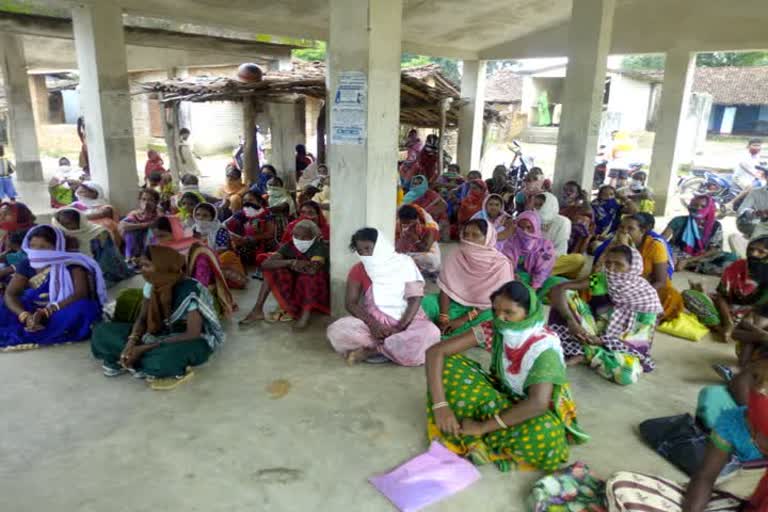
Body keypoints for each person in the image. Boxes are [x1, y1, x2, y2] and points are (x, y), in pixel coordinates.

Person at [425, 281, 588, 472]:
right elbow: (436, 352)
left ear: (528, 312)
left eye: (509, 313)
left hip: (531, 412)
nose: (500, 318)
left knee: (546, 434)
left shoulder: (544, 348)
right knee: (449, 365)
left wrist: (482, 427)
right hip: (501, 393)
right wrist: (440, 406)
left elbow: (537, 404)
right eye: (495, 311)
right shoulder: (495, 328)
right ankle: (485, 434)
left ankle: (478, 433)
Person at [607, 366, 768, 512]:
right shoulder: (732, 422)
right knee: (622, 484)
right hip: (743, 498)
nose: (761, 442)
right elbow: (705, 477)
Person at [91, 245, 224, 386]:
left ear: (163, 266)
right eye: (141, 266)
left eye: (147, 266)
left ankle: (128, 359)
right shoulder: (152, 285)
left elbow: (192, 333)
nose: (142, 270)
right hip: (157, 330)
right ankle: (136, 359)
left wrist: (143, 348)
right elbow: (142, 318)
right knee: (101, 332)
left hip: (186, 338)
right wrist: (131, 342)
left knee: (163, 359)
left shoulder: (190, 290)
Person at [549, 245, 663, 385]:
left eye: (618, 264)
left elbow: (640, 340)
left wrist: (602, 341)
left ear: (633, 267)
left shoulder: (646, 296)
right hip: (592, 330)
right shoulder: (602, 279)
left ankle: (586, 354)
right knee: (565, 295)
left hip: (621, 344)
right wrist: (571, 322)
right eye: (608, 263)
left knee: (627, 374)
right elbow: (560, 288)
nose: (611, 269)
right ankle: (591, 352)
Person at [327, 227, 441, 365]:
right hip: (375, 324)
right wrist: (374, 325)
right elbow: (351, 303)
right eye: (360, 251)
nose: (364, 254)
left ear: (380, 245)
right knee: (337, 330)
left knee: (431, 332)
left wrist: (400, 328)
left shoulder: (404, 263)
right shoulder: (358, 269)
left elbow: (415, 298)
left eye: (368, 248)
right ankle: (394, 347)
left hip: (407, 321)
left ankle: (374, 351)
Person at [0, 225, 106, 351]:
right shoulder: (28, 263)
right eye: (33, 246)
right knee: (4, 304)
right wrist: (25, 315)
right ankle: (32, 324)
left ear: (57, 247)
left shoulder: (72, 263)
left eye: (43, 247)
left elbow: (80, 294)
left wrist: (46, 311)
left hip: (61, 309)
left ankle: (48, 327)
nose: (37, 251)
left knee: (85, 308)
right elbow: (11, 294)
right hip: (31, 307)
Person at [421, 219, 515, 336]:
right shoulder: (456, 254)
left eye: (475, 235)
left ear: (488, 239)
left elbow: (495, 301)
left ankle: (449, 333)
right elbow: (445, 288)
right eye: (466, 235)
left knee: (493, 319)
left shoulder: (501, 264)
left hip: (480, 311)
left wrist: (463, 319)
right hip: (451, 305)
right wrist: (443, 317)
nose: (469, 239)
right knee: (424, 303)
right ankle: (450, 332)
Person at [240, 220, 329, 330]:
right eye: (296, 236)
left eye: (304, 237)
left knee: (308, 278)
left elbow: (313, 270)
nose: (299, 240)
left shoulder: (319, 246)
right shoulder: (290, 245)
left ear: (313, 236)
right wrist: (290, 262)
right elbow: (265, 264)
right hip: (296, 283)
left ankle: (305, 316)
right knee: (272, 270)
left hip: (315, 289)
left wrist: (295, 266)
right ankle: (257, 309)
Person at [597, 213, 683, 322]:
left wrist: (636, 294)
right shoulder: (614, 243)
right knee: (593, 282)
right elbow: (597, 269)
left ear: (642, 231)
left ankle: (629, 313)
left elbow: (660, 280)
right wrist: (616, 246)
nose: (624, 231)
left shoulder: (655, 246)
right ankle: (614, 312)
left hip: (645, 289)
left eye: (630, 228)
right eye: (621, 227)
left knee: (671, 295)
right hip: (617, 285)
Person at [704, 236, 768, 343]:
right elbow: (722, 295)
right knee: (692, 295)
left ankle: (720, 328)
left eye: (761, 252)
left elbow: (762, 307)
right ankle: (732, 328)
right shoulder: (738, 265)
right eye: (751, 249)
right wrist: (728, 321)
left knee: (752, 323)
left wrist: (747, 316)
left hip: (756, 314)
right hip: (729, 309)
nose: (753, 254)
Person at [53, 208, 133, 287]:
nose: (65, 226)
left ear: (79, 221)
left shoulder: (99, 232)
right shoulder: (60, 235)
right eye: (62, 224)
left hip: (102, 269)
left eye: (69, 223)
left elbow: (109, 257)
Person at [662, 195, 736, 275]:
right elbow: (661, 240)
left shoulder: (715, 225)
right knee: (665, 257)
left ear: (709, 208)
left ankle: (687, 264)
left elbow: (714, 249)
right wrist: (670, 254)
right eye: (695, 205)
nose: (698, 208)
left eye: (703, 206)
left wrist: (689, 260)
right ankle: (681, 264)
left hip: (701, 256)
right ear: (690, 206)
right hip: (677, 253)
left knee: (732, 259)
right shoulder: (678, 221)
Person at [499, 211, 562, 301]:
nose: (525, 231)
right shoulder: (511, 242)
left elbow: (543, 271)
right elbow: (506, 263)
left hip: (538, 283)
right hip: (514, 279)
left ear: (536, 227)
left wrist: (532, 290)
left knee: (557, 284)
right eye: (521, 227)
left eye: (529, 227)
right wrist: (512, 274)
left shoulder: (545, 246)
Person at [192, 203, 247, 291]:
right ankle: (209, 279)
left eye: (205, 215)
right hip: (200, 258)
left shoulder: (219, 229)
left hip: (216, 257)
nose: (200, 218)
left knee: (227, 256)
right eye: (198, 215)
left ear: (213, 217)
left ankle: (210, 279)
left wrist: (206, 256)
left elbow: (222, 249)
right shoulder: (193, 229)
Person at [533, 192, 586, 279]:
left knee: (578, 259)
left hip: (554, 259)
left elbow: (560, 251)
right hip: (532, 259)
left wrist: (542, 258)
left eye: (541, 204)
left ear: (550, 204)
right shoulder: (531, 218)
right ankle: (539, 272)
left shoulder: (563, 222)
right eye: (536, 205)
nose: (538, 208)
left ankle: (538, 271)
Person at [224, 191, 277, 266]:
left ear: (259, 202)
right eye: (245, 201)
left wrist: (251, 238)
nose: (247, 203)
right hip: (246, 241)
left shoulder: (267, 214)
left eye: (251, 200)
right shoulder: (243, 213)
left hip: (264, 242)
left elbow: (270, 234)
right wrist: (235, 236)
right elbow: (226, 224)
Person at [69, 181, 122, 246]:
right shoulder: (75, 205)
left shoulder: (105, 207)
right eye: (81, 191)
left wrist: (79, 216)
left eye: (85, 191)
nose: (82, 193)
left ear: (96, 193)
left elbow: (101, 214)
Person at [395, 204, 441, 276]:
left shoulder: (430, 228)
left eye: (409, 223)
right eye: (404, 224)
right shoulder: (397, 227)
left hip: (422, 252)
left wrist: (414, 238)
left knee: (433, 260)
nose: (407, 226)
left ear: (417, 220)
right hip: (408, 254)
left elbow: (425, 248)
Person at [120, 189, 161, 263]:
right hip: (135, 242)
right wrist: (144, 225)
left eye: (150, 200)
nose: (146, 202)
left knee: (151, 232)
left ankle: (145, 258)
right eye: (144, 199)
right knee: (130, 232)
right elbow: (123, 226)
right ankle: (130, 258)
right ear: (140, 200)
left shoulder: (158, 214)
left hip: (150, 244)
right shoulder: (135, 213)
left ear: (156, 202)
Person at [729, 139, 765, 210]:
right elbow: (742, 165)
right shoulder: (744, 154)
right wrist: (753, 174)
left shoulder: (757, 155)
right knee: (750, 188)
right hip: (740, 177)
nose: (757, 147)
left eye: (758, 146)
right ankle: (731, 203)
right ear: (748, 146)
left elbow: (757, 166)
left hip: (752, 178)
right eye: (754, 145)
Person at [559, 183, 594, 256]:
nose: (567, 193)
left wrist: (585, 199)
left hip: (571, 242)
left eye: (571, 191)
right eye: (565, 190)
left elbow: (589, 213)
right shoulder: (559, 207)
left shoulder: (580, 209)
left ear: (577, 194)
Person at [266, 176, 296, 241]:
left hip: (282, 222)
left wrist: (266, 209)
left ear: (281, 186)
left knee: (282, 239)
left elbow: (281, 207)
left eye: (275, 184)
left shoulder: (286, 196)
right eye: (270, 185)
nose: (273, 186)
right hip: (268, 222)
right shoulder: (266, 196)